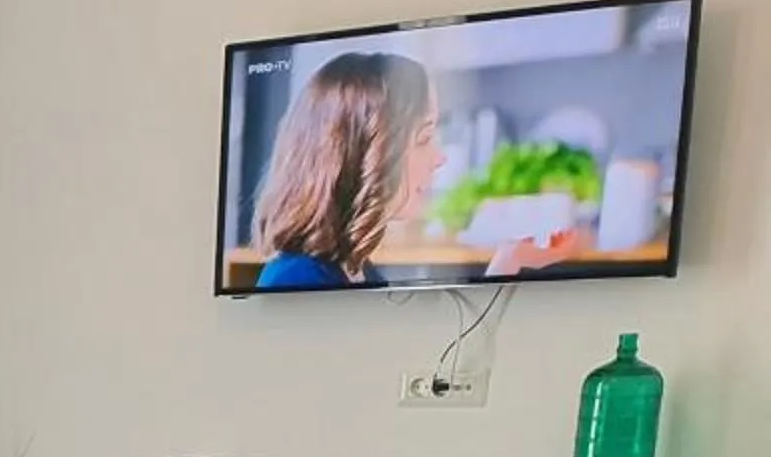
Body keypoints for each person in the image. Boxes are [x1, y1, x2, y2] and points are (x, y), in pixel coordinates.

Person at [251, 50, 588, 289]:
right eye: (424, 138)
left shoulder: (353, 268)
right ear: (371, 149)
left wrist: (509, 263)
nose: (439, 157)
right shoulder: (297, 280)